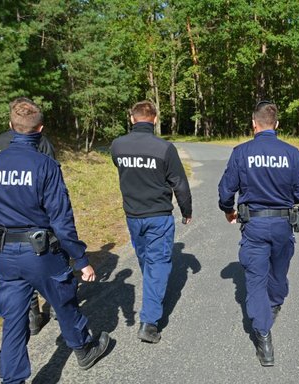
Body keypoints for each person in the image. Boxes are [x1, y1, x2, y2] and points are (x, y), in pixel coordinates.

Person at [0, 97, 110, 384]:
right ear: (40, 129)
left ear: (11, 127)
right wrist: (81, 258)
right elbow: (61, 219)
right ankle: (84, 350)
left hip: (6, 255)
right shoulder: (45, 165)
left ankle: (12, 380)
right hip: (41, 253)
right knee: (64, 301)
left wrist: (5, 230)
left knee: (14, 318)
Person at [217, 101, 299, 367]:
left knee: (256, 279)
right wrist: (283, 198)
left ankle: (263, 335)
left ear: (253, 124)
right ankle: (272, 307)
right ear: (277, 125)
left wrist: (228, 210)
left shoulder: (241, 152)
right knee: (278, 272)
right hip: (283, 224)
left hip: (255, 226)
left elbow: (226, 191)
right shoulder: (292, 153)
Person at [110, 100, 192, 343]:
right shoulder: (164, 148)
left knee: (147, 259)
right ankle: (149, 323)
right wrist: (187, 210)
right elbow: (180, 183)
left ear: (132, 118)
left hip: (133, 216)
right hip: (158, 216)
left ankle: (152, 299)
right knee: (157, 264)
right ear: (154, 119)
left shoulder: (118, 146)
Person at [0, 101, 57, 336]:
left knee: (16, 273)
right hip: (38, 217)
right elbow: (53, 178)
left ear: (11, 122)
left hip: (5, 222)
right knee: (50, 259)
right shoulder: (41, 142)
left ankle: (33, 318)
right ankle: (58, 306)